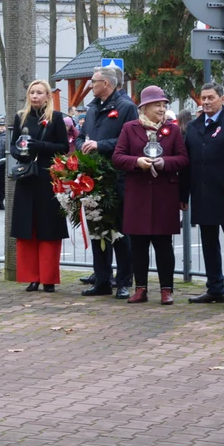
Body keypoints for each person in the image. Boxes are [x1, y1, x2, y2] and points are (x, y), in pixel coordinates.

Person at [112, 85, 189, 305]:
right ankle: (141, 289)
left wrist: (166, 163)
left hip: (164, 194)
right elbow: (118, 158)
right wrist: (136, 162)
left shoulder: (172, 130)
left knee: (164, 245)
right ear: (144, 107)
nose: (162, 109)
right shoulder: (130, 128)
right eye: (157, 105)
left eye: (164, 105)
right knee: (138, 245)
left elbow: (183, 159)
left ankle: (167, 289)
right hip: (138, 195)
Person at [182, 82, 224, 308]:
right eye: (203, 98)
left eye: (211, 97)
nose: (206, 102)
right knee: (209, 243)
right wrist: (183, 194)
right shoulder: (193, 126)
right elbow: (187, 163)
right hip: (202, 195)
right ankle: (215, 288)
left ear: (222, 99)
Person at [75, 66, 137, 299]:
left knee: (120, 233)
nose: (91, 85)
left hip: (116, 178)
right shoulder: (92, 108)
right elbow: (81, 137)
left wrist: (101, 146)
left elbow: (129, 141)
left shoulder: (126, 107)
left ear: (107, 84)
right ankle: (101, 280)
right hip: (93, 178)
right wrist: (83, 147)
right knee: (98, 231)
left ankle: (123, 282)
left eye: (94, 81)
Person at [9, 79, 69, 292]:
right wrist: (19, 151)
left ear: (47, 96)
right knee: (28, 227)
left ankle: (49, 277)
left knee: (48, 228)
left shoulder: (57, 118)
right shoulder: (20, 117)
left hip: (48, 179)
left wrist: (41, 146)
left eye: (39, 92)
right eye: (32, 92)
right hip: (27, 179)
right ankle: (32, 277)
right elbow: (14, 145)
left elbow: (64, 147)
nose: (35, 96)